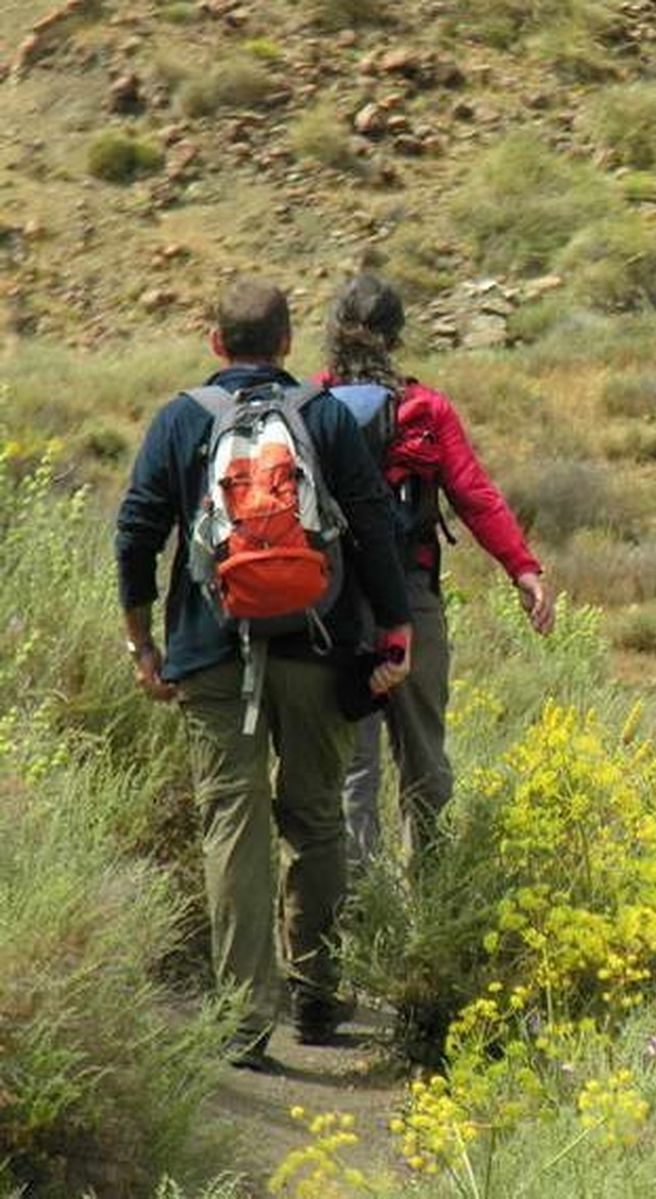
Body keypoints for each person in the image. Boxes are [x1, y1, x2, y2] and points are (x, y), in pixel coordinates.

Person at [116, 277, 414, 1069]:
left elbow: (136, 531)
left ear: (216, 342)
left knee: (233, 826)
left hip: (212, 652)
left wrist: (143, 643)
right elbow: (374, 524)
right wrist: (395, 629)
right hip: (318, 648)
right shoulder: (324, 415)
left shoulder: (181, 418)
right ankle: (316, 994)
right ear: (287, 343)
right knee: (315, 818)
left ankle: (243, 1021)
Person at [321, 274, 554, 870]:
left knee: (353, 765)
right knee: (423, 754)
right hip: (411, 594)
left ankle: (354, 902)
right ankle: (431, 889)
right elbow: (473, 494)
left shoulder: (311, 405)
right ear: (397, 338)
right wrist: (522, 569)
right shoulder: (424, 408)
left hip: (335, 601)